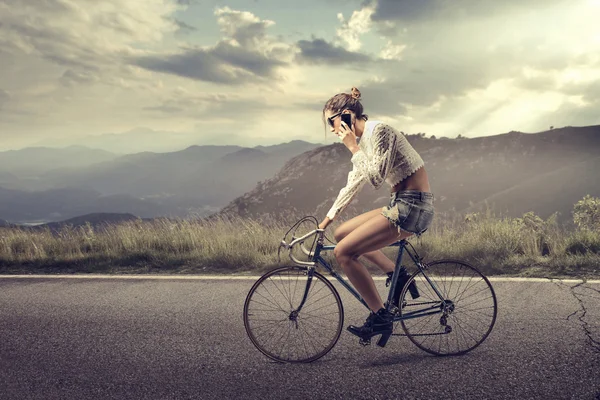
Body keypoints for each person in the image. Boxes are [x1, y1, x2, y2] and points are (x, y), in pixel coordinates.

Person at [318, 86, 435, 343]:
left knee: (343, 253)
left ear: (347, 115)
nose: (332, 129)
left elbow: (374, 178)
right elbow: (354, 183)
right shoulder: (366, 139)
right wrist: (324, 222)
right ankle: (398, 274)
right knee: (341, 234)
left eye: (332, 121)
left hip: (413, 208)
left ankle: (380, 316)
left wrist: (353, 148)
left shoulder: (379, 132)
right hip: (399, 203)